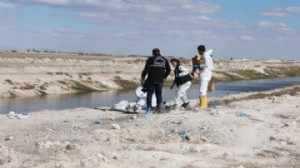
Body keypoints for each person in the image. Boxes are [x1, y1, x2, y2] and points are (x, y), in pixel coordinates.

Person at [141, 48, 171, 115]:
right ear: (159, 52)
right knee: (159, 95)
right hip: (160, 80)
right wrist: (164, 76)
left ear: (153, 53)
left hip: (151, 80)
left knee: (149, 94)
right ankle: (159, 108)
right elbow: (169, 70)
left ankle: (148, 108)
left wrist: (142, 77)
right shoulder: (164, 59)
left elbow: (146, 69)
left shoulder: (150, 59)